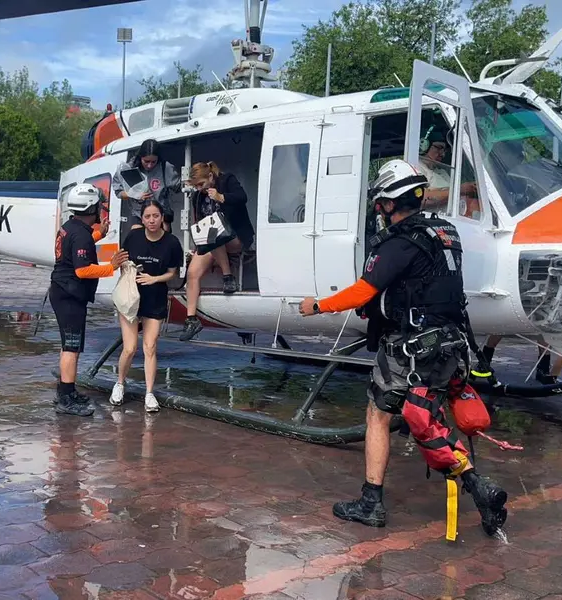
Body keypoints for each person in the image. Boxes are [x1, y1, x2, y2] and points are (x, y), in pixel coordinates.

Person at [298, 159, 508, 536]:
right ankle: (478, 488)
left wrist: (316, 305)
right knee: (429, 419)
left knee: (378, 416)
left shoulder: (399, 243)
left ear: (388, 204)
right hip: (451, 345)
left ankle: (371, 501)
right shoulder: (445, 232)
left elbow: (364, 290)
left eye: (381, 203)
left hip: (412, 349)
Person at [50, 183, 129, 417]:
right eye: (97, 207)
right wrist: (111, 267)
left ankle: (66, 390)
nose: (99, 210)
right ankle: (65, 398)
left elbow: (77, 246)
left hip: (61, 291)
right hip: (70, 295)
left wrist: (99, 235)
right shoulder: (80, 235)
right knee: (71, 348)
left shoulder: (71, 227)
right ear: (90, 208)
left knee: (68, 346)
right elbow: (83, 270)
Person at [110, 200, 184, 412]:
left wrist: (155, 279)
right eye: (147, 217)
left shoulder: (172, 243)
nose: (152, 221)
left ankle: (149, 393)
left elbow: (173, 273)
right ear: (142, 219)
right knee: (130, 347)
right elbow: (120, 262)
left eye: (156, 216)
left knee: (150, 347)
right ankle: (120, 383)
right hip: (131, 299)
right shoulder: (133, 236)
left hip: (155, 298)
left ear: (162, 218)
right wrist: (125, 267)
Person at [179, 161, 255, 342]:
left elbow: (242, 197)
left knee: (215, 236)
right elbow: (198, 221)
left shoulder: (227, 180)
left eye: (201, 184)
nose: (199, 189)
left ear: (210, 177)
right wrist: (197, 247)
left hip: (236, 236)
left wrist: (221, 197)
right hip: (212, 240)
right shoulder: (197, 196)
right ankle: (191, 320)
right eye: (196, 186)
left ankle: (228, 276)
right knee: (193, 273)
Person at [112, 138, 181, 232]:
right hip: (138, 215)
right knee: (137, 239)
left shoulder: (166, 167)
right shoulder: (128, 169)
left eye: (153, 162)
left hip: (160, 216)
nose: (149, 165)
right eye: (146, 161)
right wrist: (133, 194)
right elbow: (118, 192)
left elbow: (179, 187)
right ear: (140, 157)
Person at [418, 127, 479, 219]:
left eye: (444, 150)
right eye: (439, 148)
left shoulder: (442, 172)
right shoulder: (416, 168)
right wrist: (460, 190)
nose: (442, 154)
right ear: (424, 145)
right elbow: (421, 199)